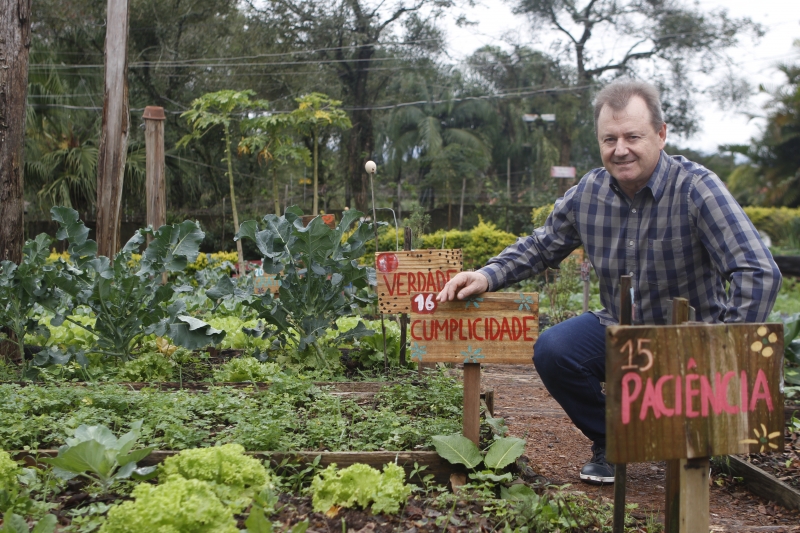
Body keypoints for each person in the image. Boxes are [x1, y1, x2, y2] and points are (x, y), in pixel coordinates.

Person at [436, 79, 782, 485]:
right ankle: (613, 440)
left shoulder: (696, 188)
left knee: (687, 467)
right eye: (610, 138)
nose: (621, 149)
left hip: (688, 339)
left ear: (661, 134)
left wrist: (723, 350)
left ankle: (686, 436)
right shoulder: (590, 192)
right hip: (618, 329)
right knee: (554, 348)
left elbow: (757, 271)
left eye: (633, 136)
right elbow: (542, 245)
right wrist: (486, 274)